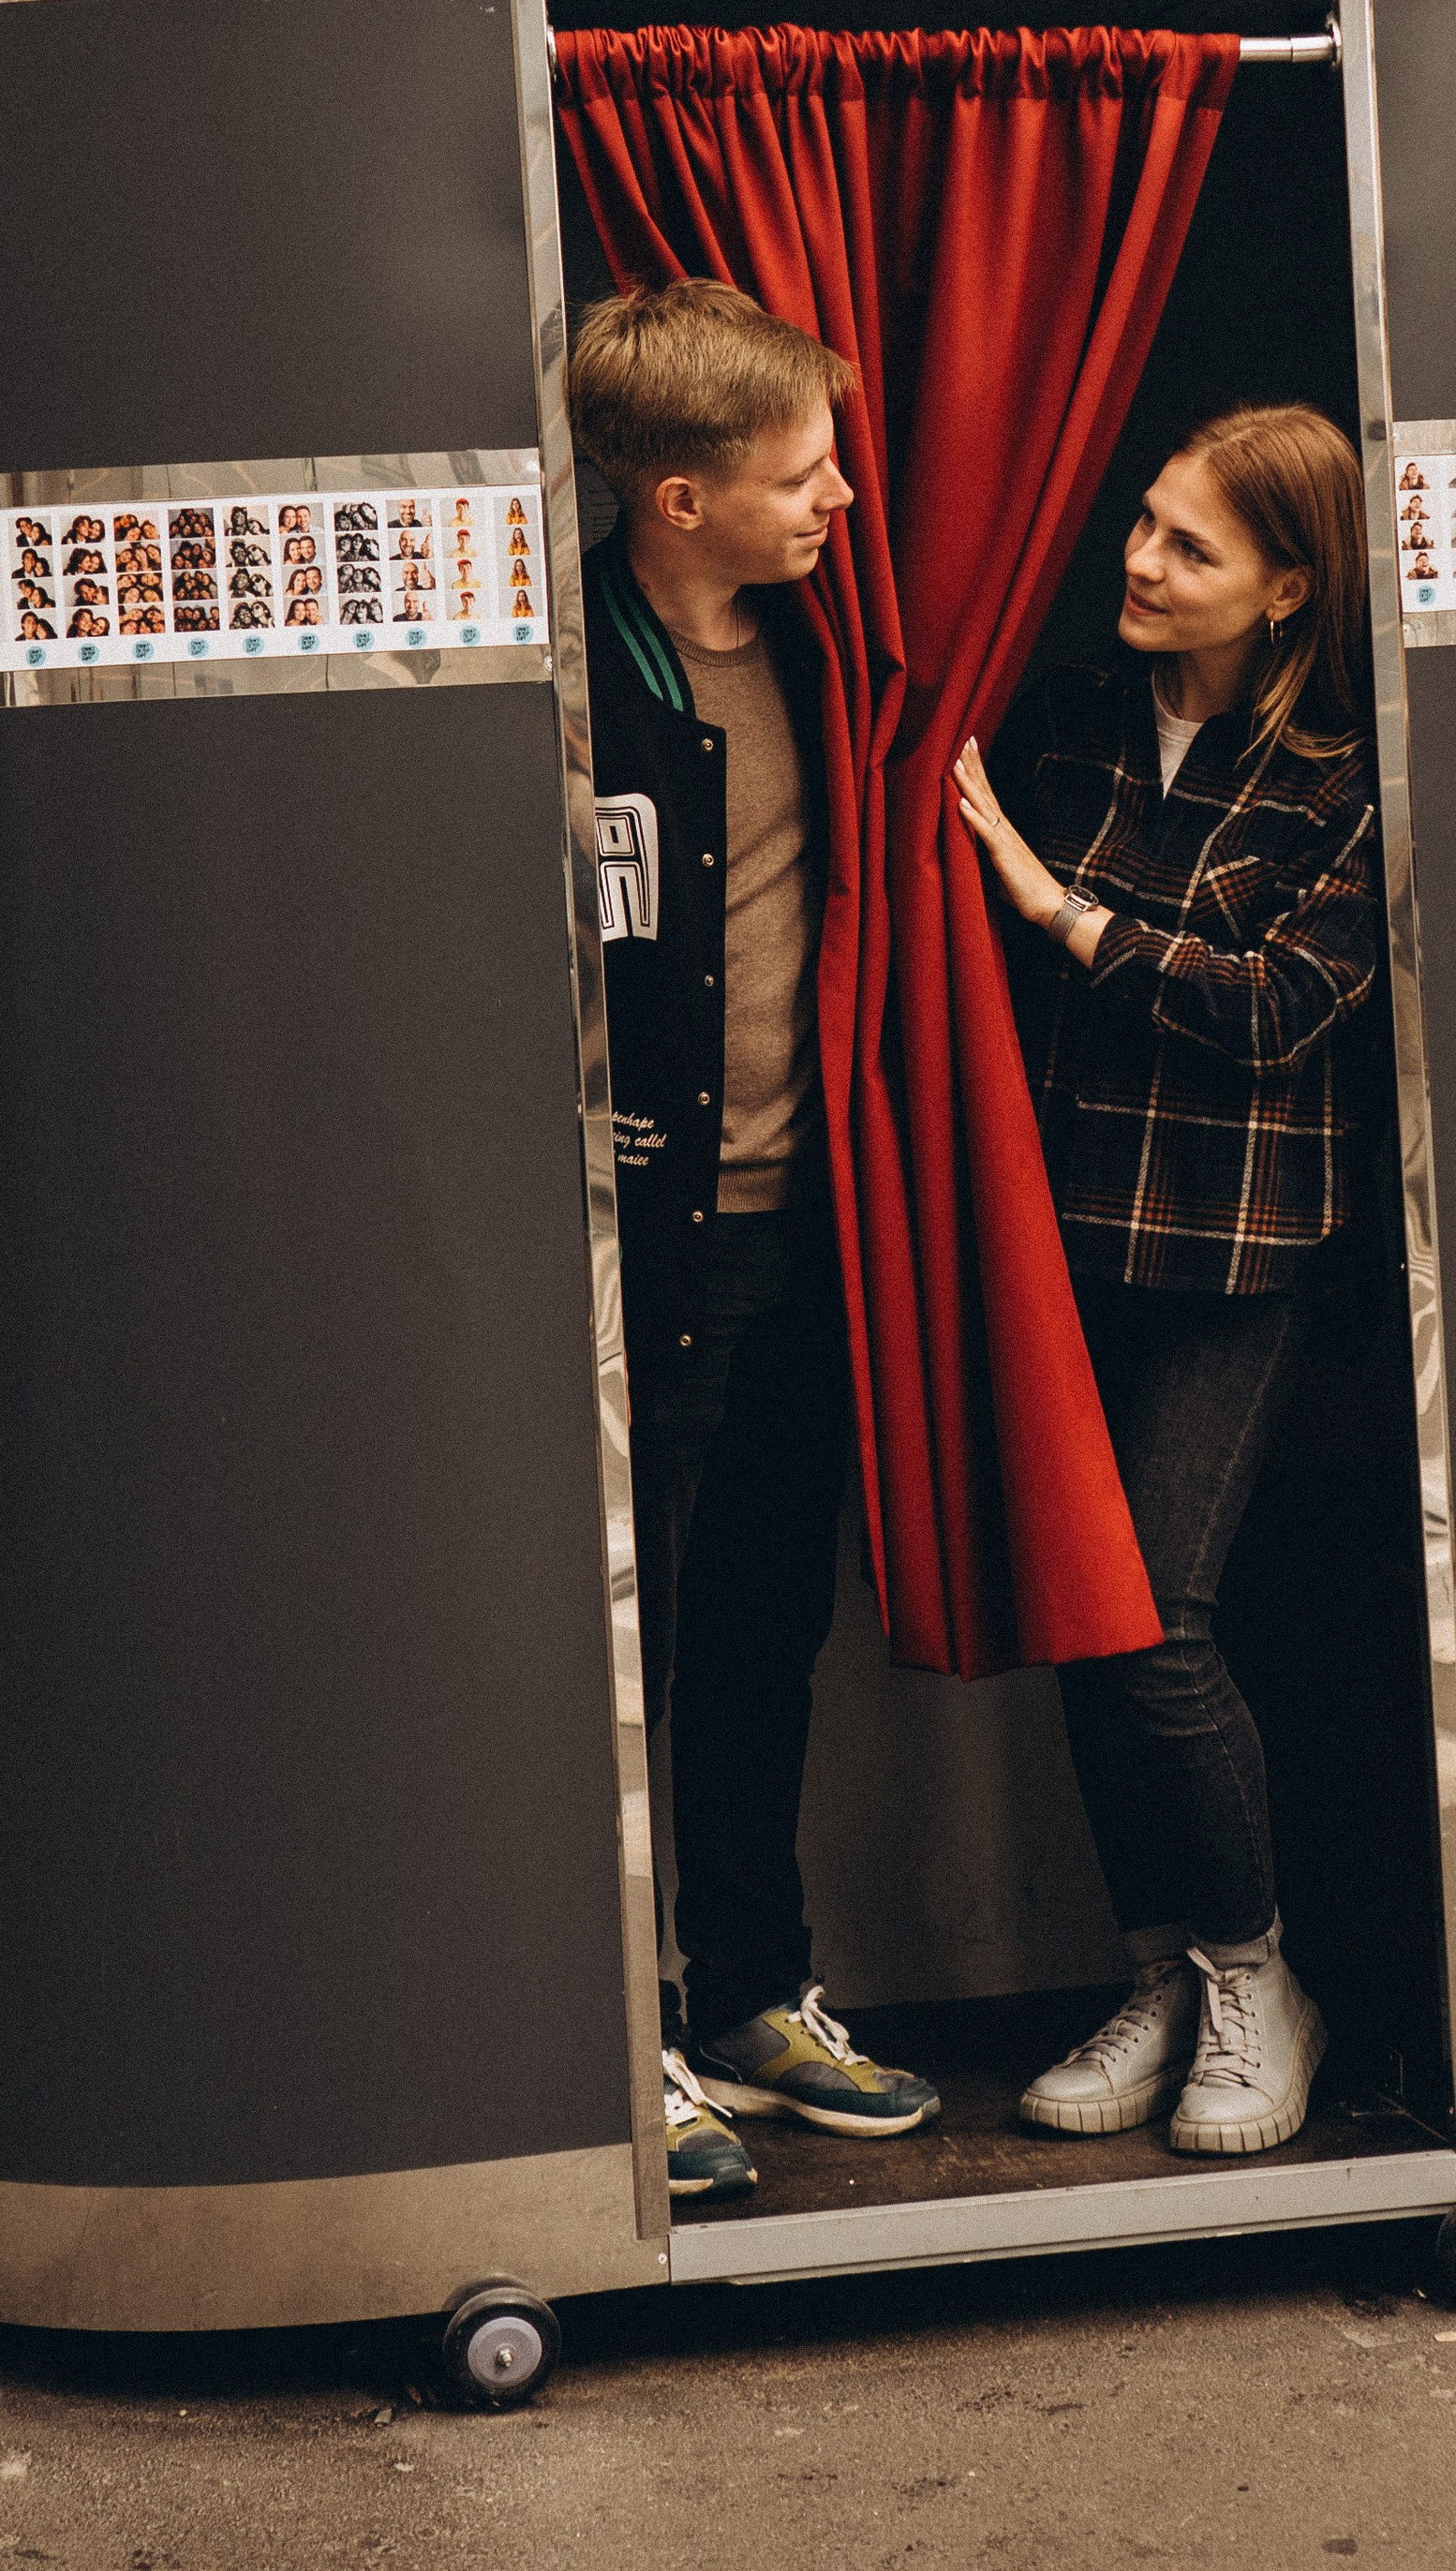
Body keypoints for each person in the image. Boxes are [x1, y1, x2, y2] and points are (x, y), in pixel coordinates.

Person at [952, 402, 1380, 2158]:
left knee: (1160, 1625)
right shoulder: (1064, 720)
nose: (1137, 559)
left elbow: (1279, 1008)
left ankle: (1255, 1975)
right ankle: (1157, 1965)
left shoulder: (1348, 770)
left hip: (1232, 1254)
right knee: (1081, 1613)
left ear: (1288, 586)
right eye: (1140, 522)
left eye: (1190, 546)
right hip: (1058, 1235)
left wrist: (1062, 914)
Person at [569, 278, 942, 2205]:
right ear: (676, 498)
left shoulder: (843, 657)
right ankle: (611, 2023)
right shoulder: (576, 681)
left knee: (759, 1642)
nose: (841, 506)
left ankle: (749, 1991)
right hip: (646, 1244)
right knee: (624, 1651)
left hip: (809, 1232)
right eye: (799, 475)